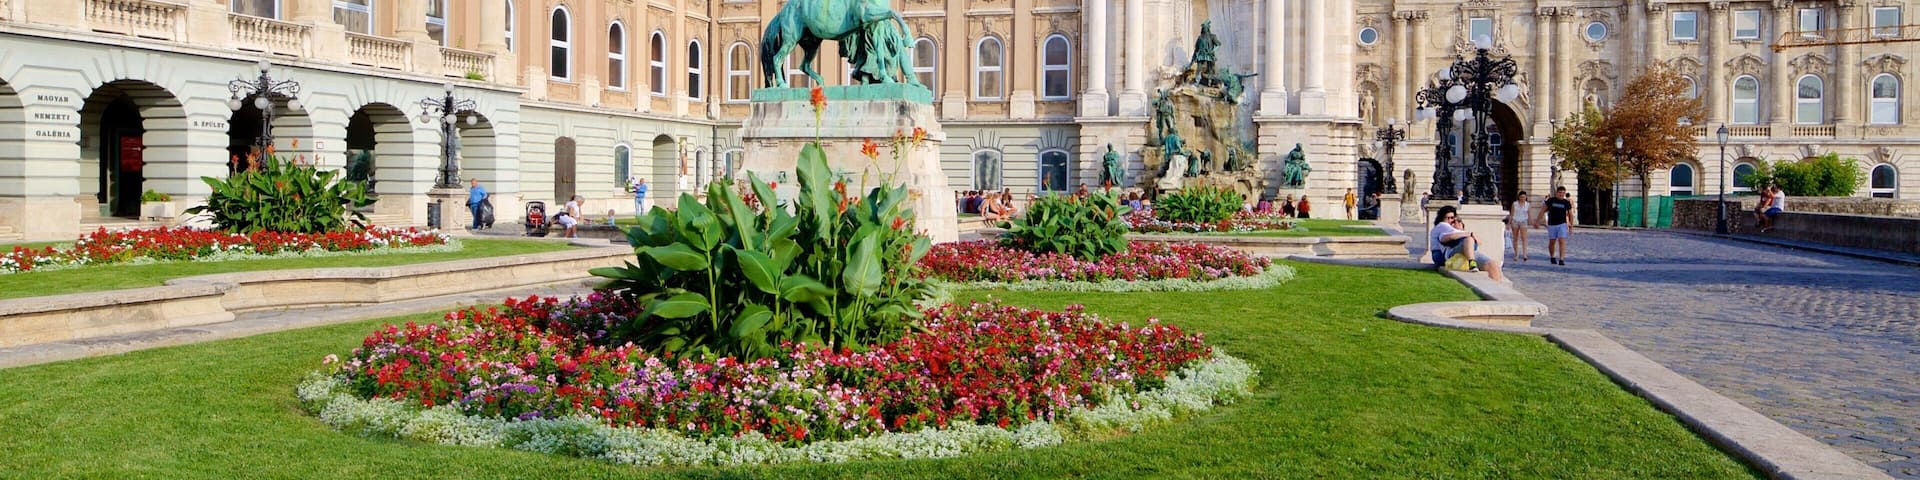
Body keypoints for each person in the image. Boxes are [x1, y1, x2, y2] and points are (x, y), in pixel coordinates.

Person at [1430, 205, 1504, 281]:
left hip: (1467, 251)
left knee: (1493, 264)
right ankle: (1472, 263)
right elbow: (1444, 238)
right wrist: (1469, 234)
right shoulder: (1442, 226)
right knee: (1469, 239)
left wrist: (1462, 231)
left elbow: (1479, 242)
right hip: (1450, 254)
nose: (1451, 221)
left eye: (1453, 218)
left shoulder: (1454, 229)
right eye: (1448, 218)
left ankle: (1498, 287)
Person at [1538, 186, 1575, 265]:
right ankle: (1552, 256)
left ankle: (1561, 259)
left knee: (1562, 241)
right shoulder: (1551, 201)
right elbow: (1542, 210)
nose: (1561, 194)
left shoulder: (1566, 202)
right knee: (1552, 242)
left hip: (1562, 224)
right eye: (1560, 192)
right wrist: (1537, 221)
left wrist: (1571, 226)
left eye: (1563, 193)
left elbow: (1571, 214)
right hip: (1552, 224)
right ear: (1557, 193)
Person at [1509, 191, 1532, 262]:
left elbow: (1529, 214)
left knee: (1524, 238)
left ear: (1526, 197)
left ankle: (1525, 254)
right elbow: (1512, 214)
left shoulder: (1528, 205)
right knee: (1515, 238)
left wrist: (1531, 222)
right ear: (1519, 197)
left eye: (1524, 197)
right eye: (1521, 197)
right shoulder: (1515, 204)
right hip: (1515, 221)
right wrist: (1508, 223)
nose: (1523, 198)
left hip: (1524, 221)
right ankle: (1516, 254)